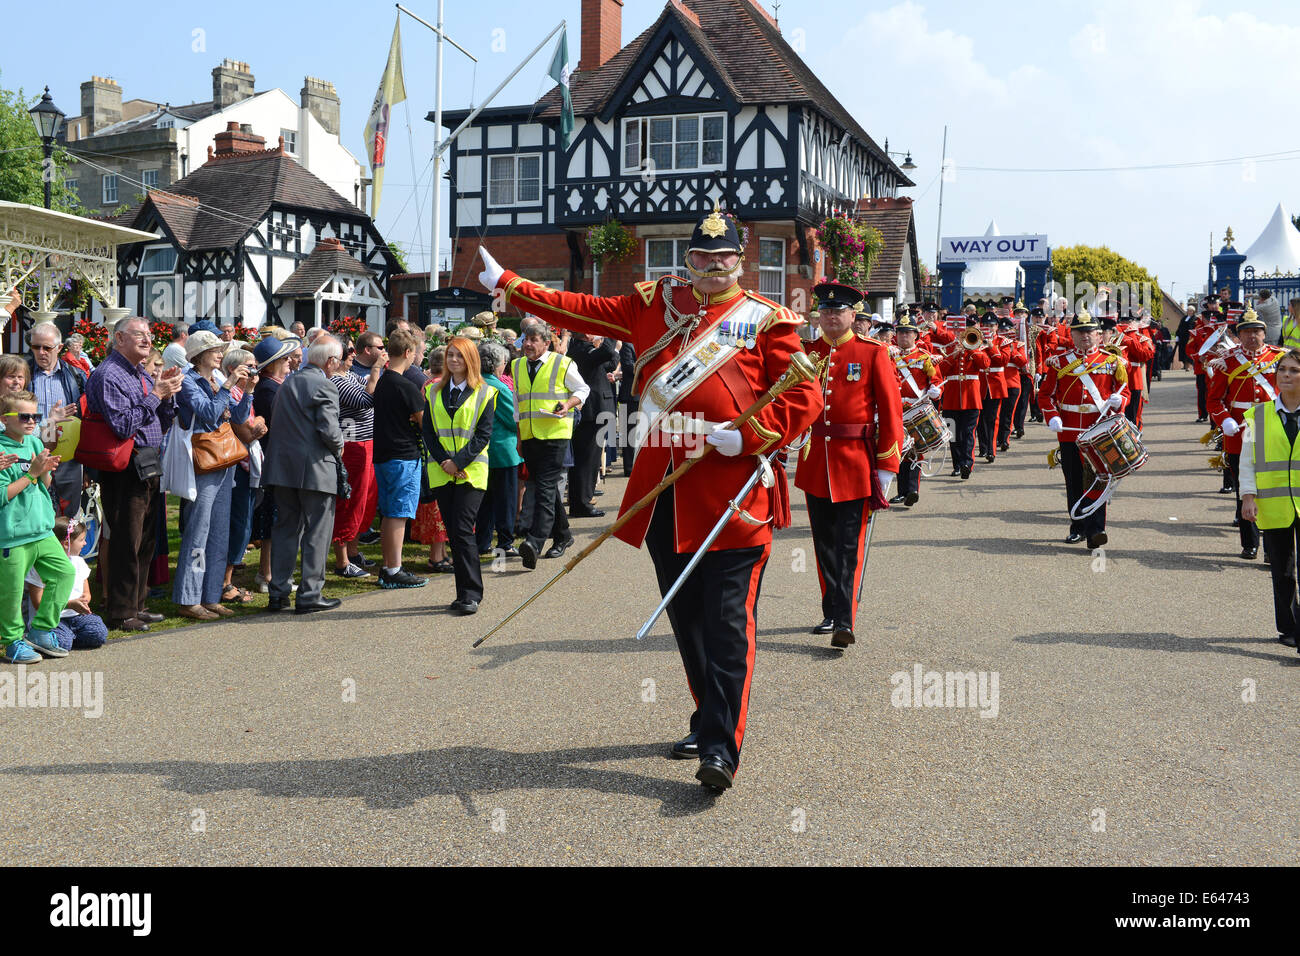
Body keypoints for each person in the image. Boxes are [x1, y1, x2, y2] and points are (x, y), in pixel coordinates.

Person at [477, 203, 821, 792]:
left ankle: (721, 746)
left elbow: (804, 396)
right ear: (687, 260)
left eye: (724, 257)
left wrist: (749, 435)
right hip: (663, 493)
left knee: (728, 623)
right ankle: (709, 715)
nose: (714, 266)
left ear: (740, 262)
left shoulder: (766, 320)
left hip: (733, 492)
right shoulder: (652, 304)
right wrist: (509, 284)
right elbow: (579, 307)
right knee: (686, 620)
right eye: (703, 257)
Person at [797, 281, 903, 648]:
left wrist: (888, 463)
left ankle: (845, 619)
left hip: (855, 461)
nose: (830, 316)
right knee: (823, 543)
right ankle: (831, 610)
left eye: (838, 311)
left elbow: (891, 411)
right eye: (825, 311)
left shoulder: (873, 353)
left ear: (852, 315)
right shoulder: (806, 352)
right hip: (815, 461)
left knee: (847, 544)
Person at [86, 316, 184, 631]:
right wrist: (156, 395)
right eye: (138, 334)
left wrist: (168, 396)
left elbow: (160, 422)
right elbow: (123, 425)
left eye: (148, 334)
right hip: (125, 466)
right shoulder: (109, 374)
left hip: (149, 460)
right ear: (119, 339)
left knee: (145, 540)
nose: (147, 338)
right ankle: (119, 611)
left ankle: (137, 605)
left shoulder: (141, 372)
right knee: (127, 540)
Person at [172, 330, 253, 620]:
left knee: (219, 531)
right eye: (215, 350)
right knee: (198, 531)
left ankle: (210, 595)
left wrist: (248, 389)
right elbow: (208, 413)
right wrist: (229, 384)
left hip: (223, 460)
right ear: (198, 355)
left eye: (221, 349)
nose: (221, 353)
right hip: (203, 460)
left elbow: (239, 416)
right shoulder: (188, 381)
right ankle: (188, 597)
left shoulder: (217, 379)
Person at [263, 335, 346, 614]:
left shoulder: (289, 382)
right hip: (314, 469)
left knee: (286, 530)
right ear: (331, 362)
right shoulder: (324, 384)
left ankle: (279, 592)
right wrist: (341, 447)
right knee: (317, 533)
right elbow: (330, 431)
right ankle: (310, 594)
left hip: (283, 468)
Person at [1037, 311, 1130, 549]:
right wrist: (1052, 416)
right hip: (1069, 430)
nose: (1085, 336)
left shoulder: (1112, 362)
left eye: (1090, 332)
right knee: (1074, 481)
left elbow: (1124, 392)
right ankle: (1077, 526)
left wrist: (1121, 403)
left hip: (1099, 431)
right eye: (1080, 332)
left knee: (1099, 479)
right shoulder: (1061, 362)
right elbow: (1046, 394)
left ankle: (1096, 531)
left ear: (1099, 335)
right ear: (1072, 334)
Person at [0, 390, 75, 663]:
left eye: (35, 416)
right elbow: (2, 495)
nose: (32, 421)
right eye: (24, 416)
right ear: (4, 419)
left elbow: (43, 486)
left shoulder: (33, 442)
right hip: (12, 536)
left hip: (41, 531)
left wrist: (45, 470)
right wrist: (32, 473)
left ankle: (42, 630)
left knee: (65, 573)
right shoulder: (0, 448)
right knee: (11, 593)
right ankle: (12, 643)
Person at [508, 321, 589, 567]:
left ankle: (535, 540)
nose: (529, 344)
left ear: (546, 343)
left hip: (555, 435)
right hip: (531, 436)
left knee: (544, 487)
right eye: (526, 340)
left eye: (534, 340)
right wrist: (520, 438)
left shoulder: (563, 363)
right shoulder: (517, 365)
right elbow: (517, 406)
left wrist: (569, 404)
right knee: (548, 489)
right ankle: (563, 536)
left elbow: (583, 389)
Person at [424, 336, 495, 613]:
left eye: (459, 356)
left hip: (471, 471)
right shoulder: (432, 391)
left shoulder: (485, 392)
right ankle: (461, 592)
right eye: (450, 355)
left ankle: (472, 593)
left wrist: (458, 461)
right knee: (454, 532)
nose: (453, 360)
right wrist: (445, 461)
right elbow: (428, 432)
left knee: (464, 530)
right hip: (442, 471)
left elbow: (483, 435)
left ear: (470, 360)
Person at [1207, 310, 1284, 561]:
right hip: (1239, 432)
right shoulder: (1227, 361)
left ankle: (1273, 548)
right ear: (1238, 335)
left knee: (1273, 490)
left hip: (1273, 431)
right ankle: (1249, 542)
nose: (1253, 336)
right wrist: (1225, 419)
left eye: (1257, 331)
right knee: (1244, 489)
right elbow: (1214, 399)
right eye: (1247, 332)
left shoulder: (1279, 358)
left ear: (1265, 333)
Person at [1240, 347, 1300, 651]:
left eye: (1294, 370)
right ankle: (1288, 627)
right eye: (1282, 370)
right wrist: (1247, 496)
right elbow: (1247, 460)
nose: (1286, 375)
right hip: (1274, 504)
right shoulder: (1258, 414)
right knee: (1282, 569)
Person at [371, 327, 428, 589]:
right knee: (398, 513)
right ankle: (394, 568)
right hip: (403, 455)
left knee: (389, 512)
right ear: (407, 352)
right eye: (415, 352)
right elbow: (423, 422)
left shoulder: (383, 381)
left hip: (384, 454)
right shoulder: (406, 386)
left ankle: (389, 565)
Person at [331, 332, 385, 578]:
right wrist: (376, 369)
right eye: (349, 351)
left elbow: (373, 390)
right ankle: (342, 562)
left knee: (365, 502)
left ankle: (352, 553)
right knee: (349, 502)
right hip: (352, 445)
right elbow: (366, 399)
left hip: (366, 443)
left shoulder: (349, 375)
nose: (353, 354)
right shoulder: (336, 380)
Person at [250, 334, 300, 593]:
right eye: (284, 358)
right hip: (273, 459)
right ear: (271, 364)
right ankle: (266, 574)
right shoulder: (269, 389)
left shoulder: (274, 385)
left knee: (274, 518)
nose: (290, 361)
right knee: (271, 520)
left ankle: (267, 572)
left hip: (276, 457)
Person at [25, 321, 85, 517]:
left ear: (59, 348)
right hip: (32, 455)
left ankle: (67, 548)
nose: (41, 352)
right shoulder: (23, 374)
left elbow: (86, 419)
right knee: (34, 515)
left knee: (68, 518)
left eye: (47, 348)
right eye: (36, 347)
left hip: (66, 459)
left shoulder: (75, 375)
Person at [222, 347, 267, 603]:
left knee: (244, 523)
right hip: (237, 466)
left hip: (247, 463)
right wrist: (256, 426)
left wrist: (257, 422)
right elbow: (246, 432)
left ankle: (227, 580)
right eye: (249, 366)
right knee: (238, 524)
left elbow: (253, 424)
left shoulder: (244, 393)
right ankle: (225, 583)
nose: (254, 370)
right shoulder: (233, 393)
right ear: (232, 369)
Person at [25, 515, 107, 651]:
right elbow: (38, 603)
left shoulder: (79, 562)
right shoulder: (39, 566)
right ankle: (50, 638)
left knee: (99, 633)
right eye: (81, 540)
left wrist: (85, 599)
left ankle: (67, 637)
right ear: (66, 543)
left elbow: (86, 592)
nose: (85, 543)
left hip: (77, 617)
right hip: (53, 620)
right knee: (63, 642)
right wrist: (70, 604)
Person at [889, 313, 942, 508]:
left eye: (908, 333)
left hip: (915, 408)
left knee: (915, 450)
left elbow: (935, 380)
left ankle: (912, 490)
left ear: (915, 335)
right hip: (894, 409)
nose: (904, 336)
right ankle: (901, 492)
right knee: (897, 450)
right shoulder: (889, 356)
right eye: (901, 333)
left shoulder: (923, 357)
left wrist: (936, 389)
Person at [475, 340, 522, 558]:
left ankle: (483, 542)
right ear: (497, 364)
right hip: (502, 450)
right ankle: (505, 541)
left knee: (485, 500)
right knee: (506, 500)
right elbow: (514, 419)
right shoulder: (499, 387)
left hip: (480, 451)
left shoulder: (474, 382)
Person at [567, 331, 617, 518]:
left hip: (591, 411)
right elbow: (606, 352)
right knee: (587, 460)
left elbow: (609, 362)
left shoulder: (583, 349)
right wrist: (612, 331)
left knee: (587, 459)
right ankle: (582, 503)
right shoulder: (581, 349)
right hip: (591, 411)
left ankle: (579, 500)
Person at [411, 346, 452, 572]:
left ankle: (442, 552)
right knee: (437, 503)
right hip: (437, 450)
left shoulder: (426, 384)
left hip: (429, 448)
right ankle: (436, 555)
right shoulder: (437, 387)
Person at [937, 317, 990, 479]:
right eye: (960, 333)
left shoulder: (977, 350)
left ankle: (967, 463)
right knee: (953, 434)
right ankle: (957, 465)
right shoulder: (951, 350)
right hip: (951, 400)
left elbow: (985, 364)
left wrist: (972, 349)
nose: (962, 336)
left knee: (968, 433)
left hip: (971, 399)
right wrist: (954, 354)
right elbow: (941, 370)